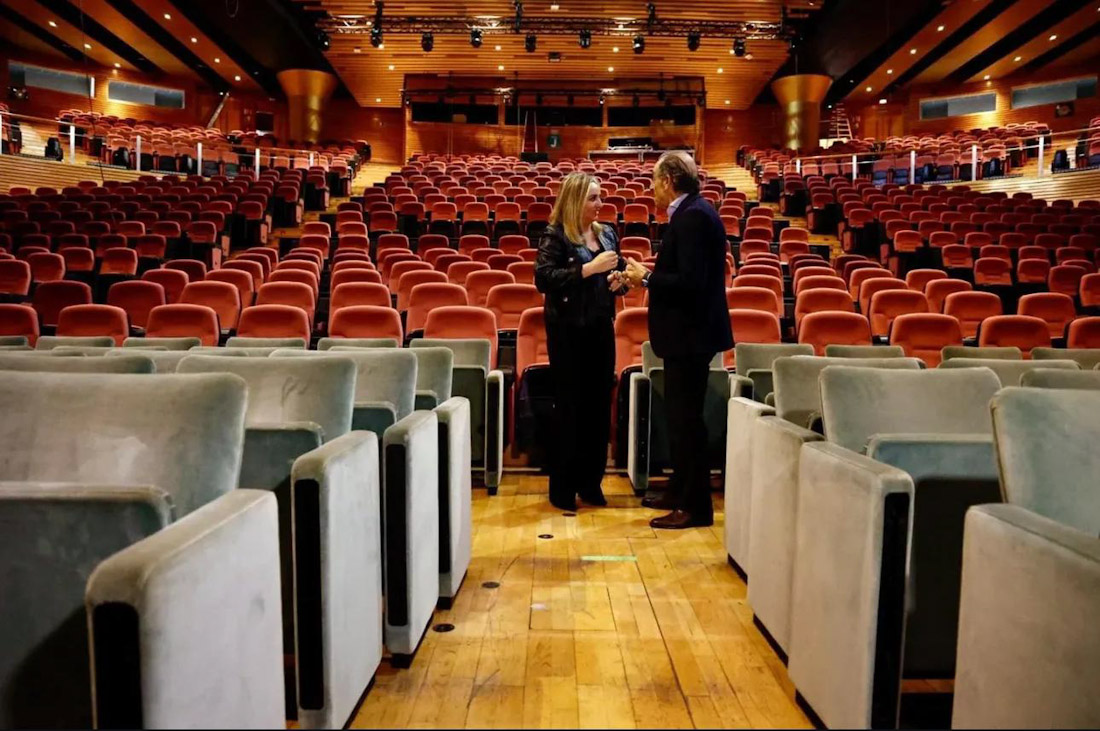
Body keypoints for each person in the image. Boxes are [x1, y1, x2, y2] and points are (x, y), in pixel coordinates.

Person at [620, 151, 733, 529]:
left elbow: (691, 284)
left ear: (669, 180)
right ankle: (679, 490)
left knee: (688, 423)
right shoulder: (692, 214)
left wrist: (647, 279)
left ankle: (696, 507)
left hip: (691, 335)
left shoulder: (694, 218)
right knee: (679, 418)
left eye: (654, 181)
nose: (651, 189)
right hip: (687, 335)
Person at [535, 172, 628, 511]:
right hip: (568, 332)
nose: (600, 204)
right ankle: (563, 488)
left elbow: (617, 272)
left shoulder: (607, 234)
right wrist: (589, 270)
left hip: (601, 328)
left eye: (600, 197)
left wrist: (619, 281)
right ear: (575, 200)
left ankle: (591, 483)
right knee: (570, 408)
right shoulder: (556, 235)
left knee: (598, 409)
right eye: (593, 198)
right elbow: (543, 279)